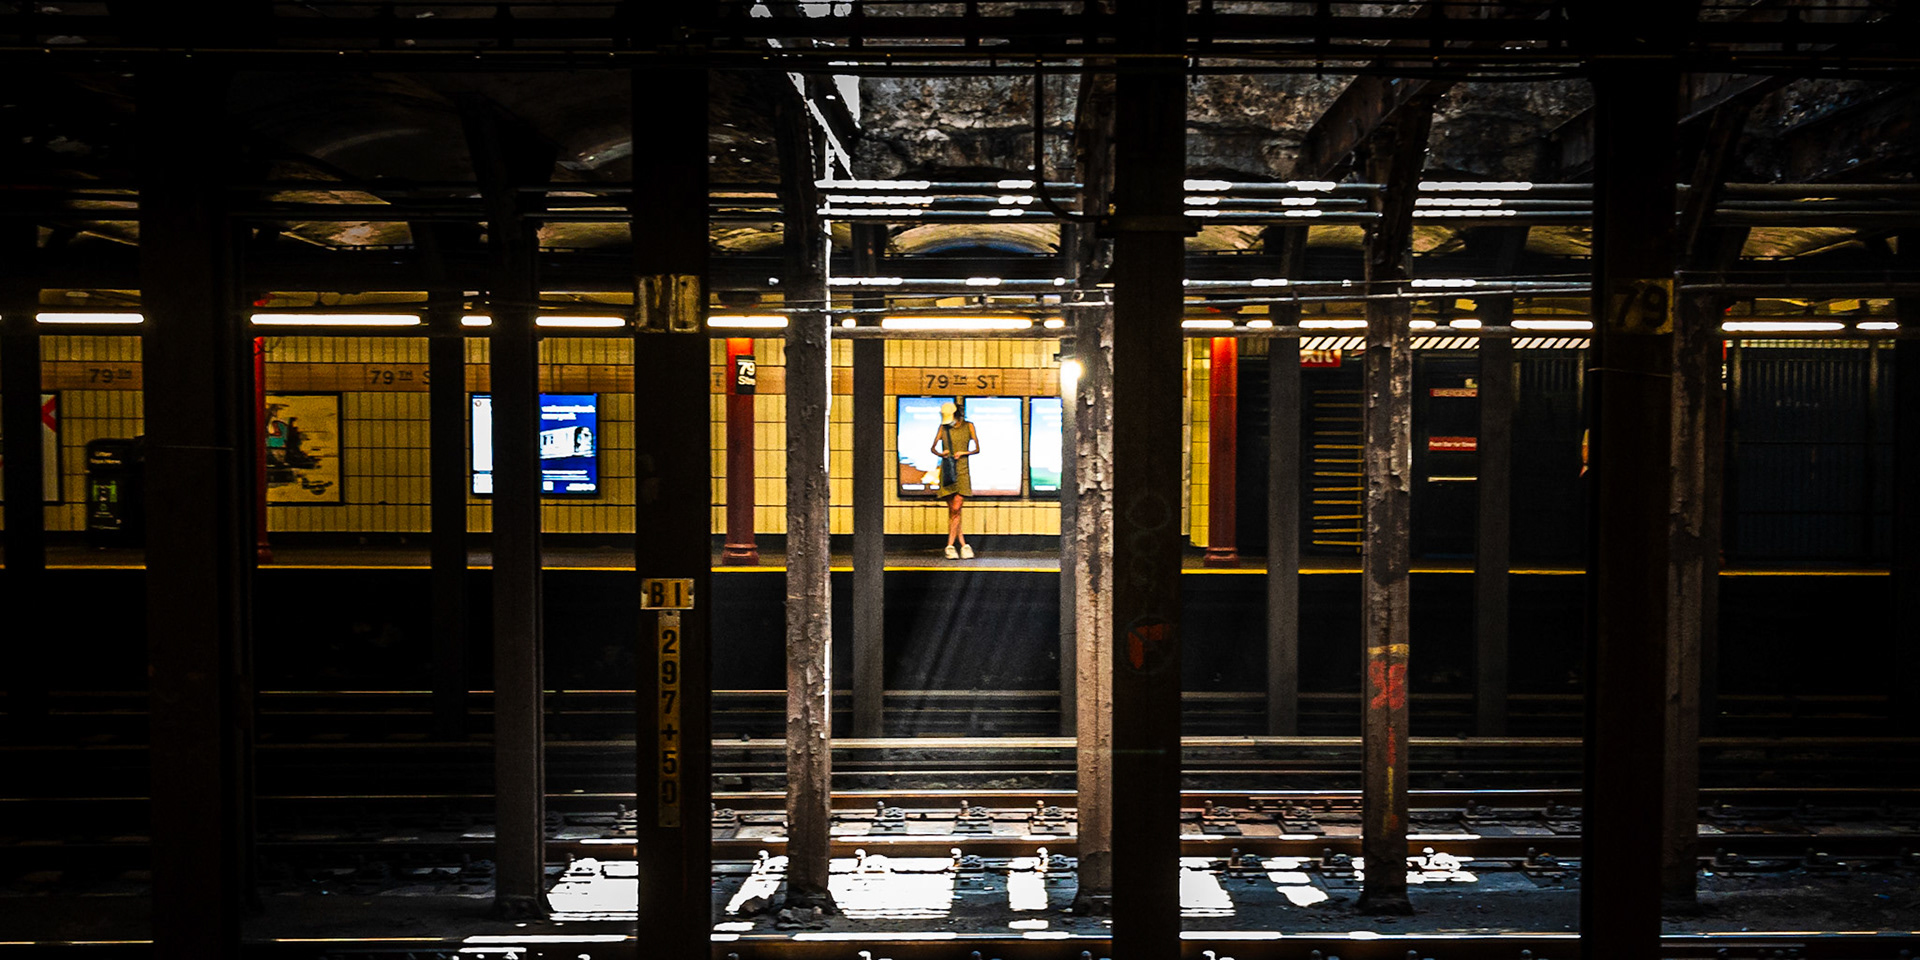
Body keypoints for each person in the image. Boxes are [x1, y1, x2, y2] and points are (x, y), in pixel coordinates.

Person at [930, 400, 979, 559]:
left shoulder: (969, 426)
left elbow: (977, 448)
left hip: (962, 470)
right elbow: (933, 448)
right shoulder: (943, 428)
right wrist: (941, 453)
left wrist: (963, 453)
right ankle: (963, 545)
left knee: (956, 508)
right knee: (954, 512)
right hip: (948, 470)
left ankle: (950, 545)